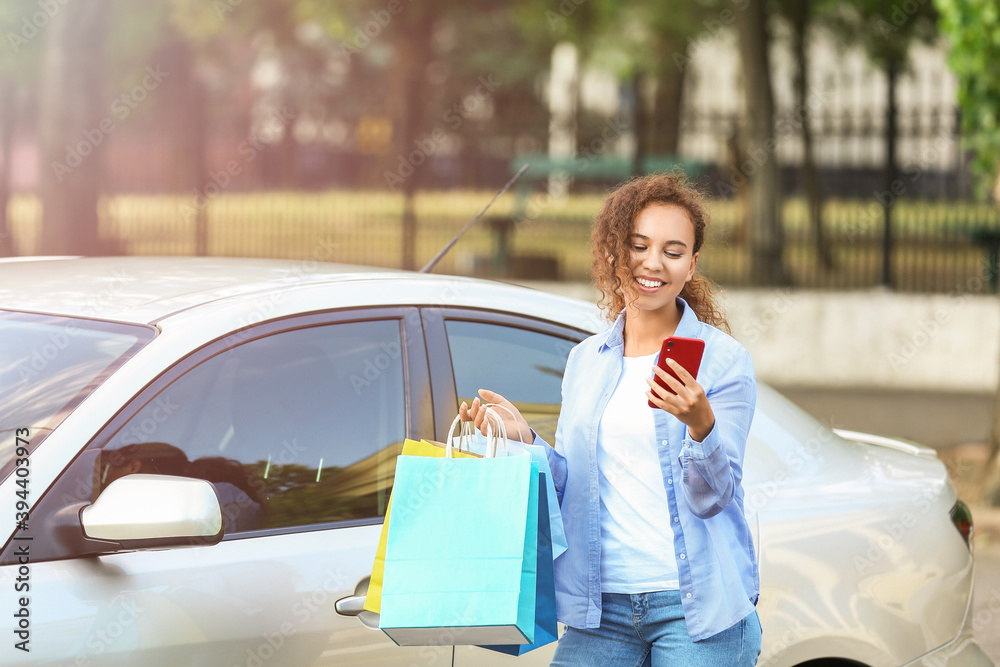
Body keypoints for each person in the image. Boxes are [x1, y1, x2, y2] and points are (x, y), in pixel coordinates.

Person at [460, 171, 761, 666]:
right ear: (615, 253)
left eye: (672, 250)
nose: (652, 263)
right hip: (603, 611)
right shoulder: (586, 361)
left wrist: (701, 425)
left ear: (692, 265)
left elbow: (715, 498)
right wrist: (524, 438)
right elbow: (574, 486)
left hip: (696, 612)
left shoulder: (723, 361)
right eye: (639, 245)